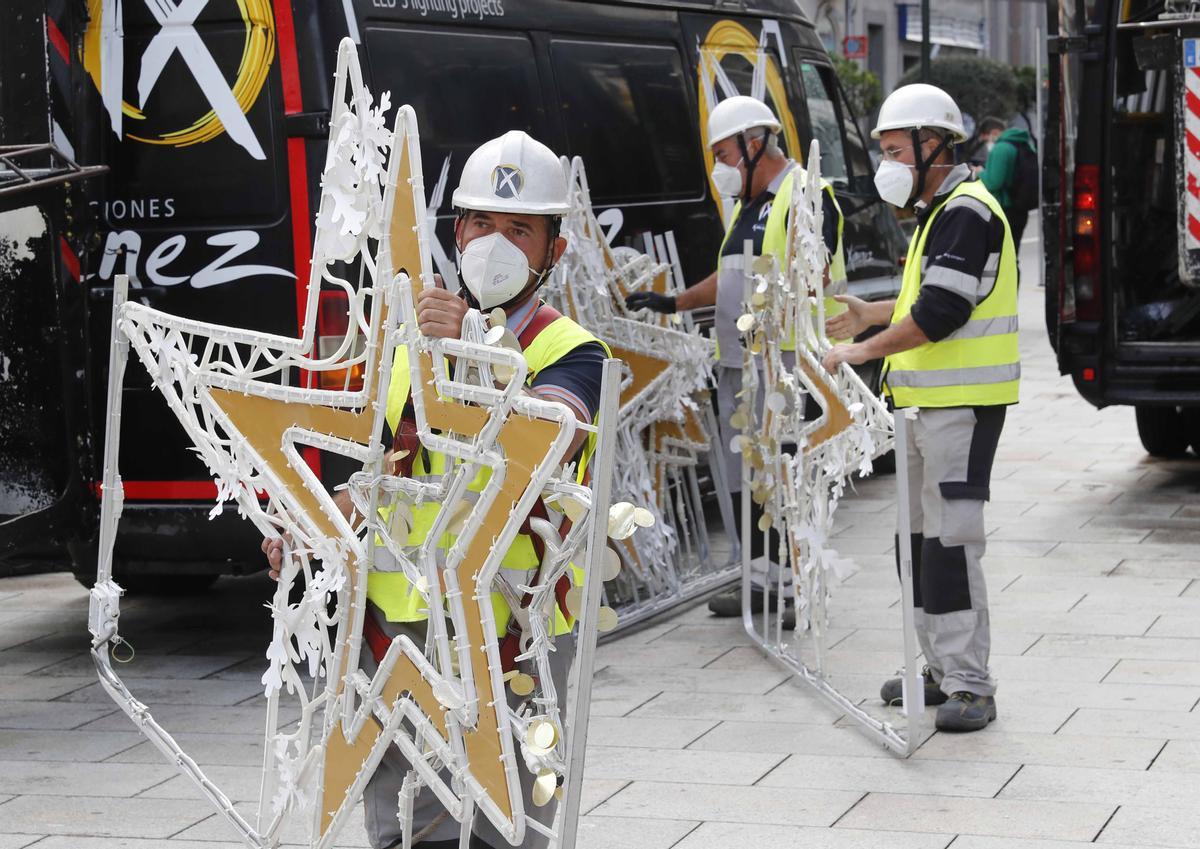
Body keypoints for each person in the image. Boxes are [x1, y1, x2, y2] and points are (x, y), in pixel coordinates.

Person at [264, 130, 608, 848]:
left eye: (520, 228)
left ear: (554, 251)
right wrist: (314, 528)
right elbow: (386, 467)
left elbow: (553, 434)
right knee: (402, 818)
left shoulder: (572, 350)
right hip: (398, 625)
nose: (496, 242)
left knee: (508, 817)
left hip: (512, 630)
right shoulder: (407, 350)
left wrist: (476, 355)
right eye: (481, 223)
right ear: (457, 231)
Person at [821, 83, 1019, 733]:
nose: (888, 164)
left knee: (951, 546)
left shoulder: (969, 212)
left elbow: (940, 314)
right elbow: (921, 299)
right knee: (916, 547)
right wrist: (869, 313)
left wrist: (863, 349)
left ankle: (970, 682)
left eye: (895, 149)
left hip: (961, 409)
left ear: (935, 145)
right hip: (921, 407)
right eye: (884, 151)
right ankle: (936, 666)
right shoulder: (938, 214)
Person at [623, 95, 846, 629]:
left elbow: (810, 277)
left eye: (723, 155)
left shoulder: (807, 194)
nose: (719, 169)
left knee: (784, 476)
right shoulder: (748, 206)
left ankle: (795, 589)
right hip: (739, 369)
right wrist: (672, 301)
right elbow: (729, 278)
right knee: (745, 479)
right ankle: (760, 583)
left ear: (754, 144)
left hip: (786, 367)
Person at [977, 119, 1038, 247]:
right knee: (1012, 252)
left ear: (993, 132)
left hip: (1004, 209)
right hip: (1021, 207)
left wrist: (979, 173)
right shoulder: (1025, 144)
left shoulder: (1001, 148)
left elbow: (994, 182)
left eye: (985, 139)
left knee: (1000, 255)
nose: (987, 143)